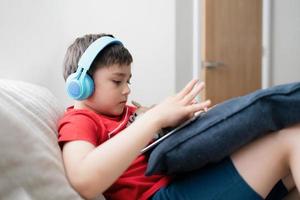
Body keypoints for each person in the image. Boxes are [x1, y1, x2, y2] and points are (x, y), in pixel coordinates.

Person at [58, 33, 299, 200]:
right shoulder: (80, 120)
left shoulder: (128, 113)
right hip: (161, 195)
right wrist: (155, 119)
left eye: (128, 81)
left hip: (183, 182)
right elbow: (85, 180)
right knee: (291, 139)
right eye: (117, 81)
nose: (127, 89)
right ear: (82, 85)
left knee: (291, 152)